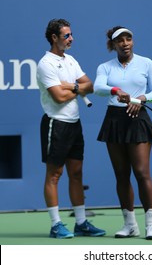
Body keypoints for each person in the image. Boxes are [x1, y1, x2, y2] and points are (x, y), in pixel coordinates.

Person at [37, 18, 106, 239]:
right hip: (55, 124)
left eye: (71, 35)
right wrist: (77, 88)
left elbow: (91, 86)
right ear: (54, 37)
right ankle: (56, 224)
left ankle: (81, 222)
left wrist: (70, 86)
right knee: (54, 175)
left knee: (76, 174)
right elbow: (58, 98)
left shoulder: (71, 60)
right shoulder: (45, 64)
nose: (71, 39)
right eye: (66, 35)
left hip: (74, 124)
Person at [94, 26, 152, 240]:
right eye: (120, 40)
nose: (125, 43)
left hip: (138, 119)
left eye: (128, 39)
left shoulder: (146, 63)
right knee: (121, 175)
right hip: (114, 120)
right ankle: (130, 224)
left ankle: (151, 224)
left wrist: (140, 99)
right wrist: (116, 91)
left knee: (142, 172)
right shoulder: (105, 67)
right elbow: (98, 87)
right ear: (113, 45)